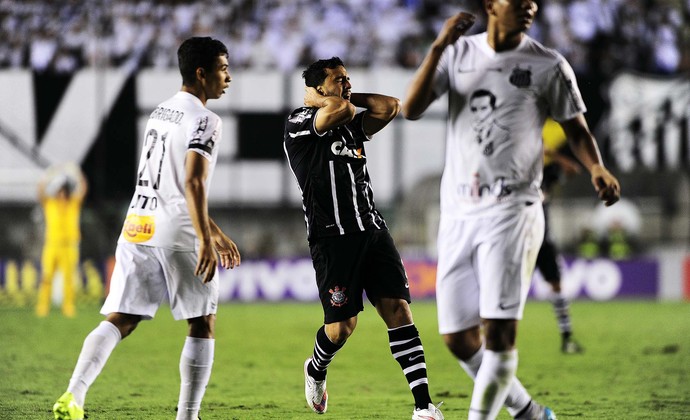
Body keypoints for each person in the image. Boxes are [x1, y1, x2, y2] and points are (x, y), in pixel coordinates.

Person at [402, 1, 620, 419]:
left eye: (532, 2)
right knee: (458, 338)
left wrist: (596, 166)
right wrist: (438, 46)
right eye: (517, 0)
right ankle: (530, 414)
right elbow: (411, 109)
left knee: (499, 334)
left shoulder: (548, 64)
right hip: (458, 212)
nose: (528, 7)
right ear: (491, 5)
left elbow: (577, 129)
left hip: (513, 210)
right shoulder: (458, 54)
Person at [53, 37, 241, 420]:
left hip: (139, 223)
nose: (229, 78)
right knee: (202, 320)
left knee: (121, 318)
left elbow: (169, 182)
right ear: (201, 73)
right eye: (223, 69)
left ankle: (73, 395)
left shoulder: (162, 111)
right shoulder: (207, 120)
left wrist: (215, 231)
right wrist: (205, 239)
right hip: (178, 233)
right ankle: (187, 417)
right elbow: (192, 182)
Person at [283, 57, 444, 420]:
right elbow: (336, 108)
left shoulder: (348, 119)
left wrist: (345, 93)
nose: (347, 84)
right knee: (341, 329)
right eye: (339, 79)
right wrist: (331, 99)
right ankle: (316, 368)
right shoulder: (299, 122)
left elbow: (390, 106)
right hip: (332, 240)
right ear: (317, 87)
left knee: (399, 312)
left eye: (348, 78)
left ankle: (423, 406)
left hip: (372, 231)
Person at [538, 118, 584, 354]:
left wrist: (555, 157)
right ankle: (487, 342)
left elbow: (570, 170)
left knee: (556, 283)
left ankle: (567, 337)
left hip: (541, 238)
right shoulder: (513, 167)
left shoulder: (547, 173)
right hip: (516, 238)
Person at [36, 163, 88, 318]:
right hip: (52, 245)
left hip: (69, 246)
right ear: (57, 193)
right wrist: (46, 176)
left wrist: (78, 174)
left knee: (68, 278)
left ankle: (68, 306)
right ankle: (43, 306)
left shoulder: (73, 204)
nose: (62, 195)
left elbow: (83, 189)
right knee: (46, 276)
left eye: (64, 192)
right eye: (60, 192)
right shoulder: (50, 204)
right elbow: (40, 193)